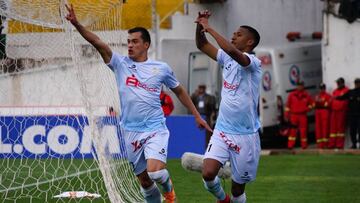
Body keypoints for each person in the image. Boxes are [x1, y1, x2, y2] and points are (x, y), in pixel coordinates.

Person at [65, 4, 212, 203]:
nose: (130, 45)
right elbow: (98, 42)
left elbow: (179, 90)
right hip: (130, 131)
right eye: (128, 42)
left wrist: (195, 115)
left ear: (146, 45)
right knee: (144, 182)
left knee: (156, 173)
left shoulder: (161, 68)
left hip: (155, 129)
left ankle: (169, 193)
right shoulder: (120, 64)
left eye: (135, 41)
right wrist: (77, 24)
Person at [195, 10, 262, 203]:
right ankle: (223, 199)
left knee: (238, 189)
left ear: (250, 42)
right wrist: (200, 26)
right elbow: (202, 44)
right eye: (233, 33)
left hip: (246, 135)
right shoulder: (226, 59)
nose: (233, 36)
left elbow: (233, 52)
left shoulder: (253, 63)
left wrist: (210, 28)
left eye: (239, 34)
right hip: (223, 129)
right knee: (208, 173)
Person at [284, 81, 314, 149]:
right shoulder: (292, 95)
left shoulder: (306, 95)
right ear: (297, 86)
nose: (299, 87)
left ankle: (304, 146)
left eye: (301, 85)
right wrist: (286, 115)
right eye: (298, 85)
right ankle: (290, 145)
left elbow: (312, 104)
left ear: (303, 86)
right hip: (294, 115)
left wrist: (307, 109)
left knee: (303, 131)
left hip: (303, 115)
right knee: (292, 131)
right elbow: (287, 106)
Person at [336, 78, 360, 149]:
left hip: (359, 115)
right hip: (352, 115)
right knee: (352, 131)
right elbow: (342, 97)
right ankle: (354, 144)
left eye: (358, 83)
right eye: (356, 83)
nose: (357, 84)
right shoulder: (351, 92)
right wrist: (336, 97)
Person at [329, 77, 349, 149]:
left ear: (342, 83)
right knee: (333, 129)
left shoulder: (346, 90)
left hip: (341, 112)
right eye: (337, 83)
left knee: (340, 129)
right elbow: (331, 100)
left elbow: (346, 102)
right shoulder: (335, 91)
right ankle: (332, 144)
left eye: (338, 83)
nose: (337, 84)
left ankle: (339, 145)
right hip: (334, 112)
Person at [314, 83, 332, 149]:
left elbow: (326, 105)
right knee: (318, 128)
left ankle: (325, 144)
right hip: (318, 112)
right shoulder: (317, 96)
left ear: (325, 88)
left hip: (324, 112)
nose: (321, 90)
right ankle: (320, 145)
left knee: (325, 128)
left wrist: (320, 104)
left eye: (323, 88)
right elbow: (315, 104)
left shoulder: (328, 96)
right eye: (321, 88)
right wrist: (321, 104)